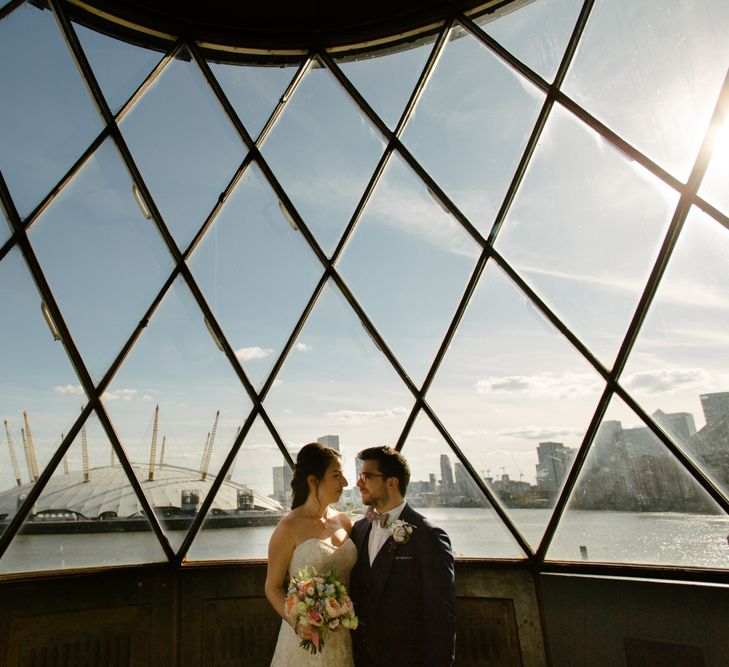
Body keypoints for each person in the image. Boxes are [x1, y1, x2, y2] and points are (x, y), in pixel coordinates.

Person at [350, 446, 456, 667]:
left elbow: (440, 616)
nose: (358, 483)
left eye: (366, 477)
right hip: (359, 657)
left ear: (391, 482)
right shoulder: (359, 530)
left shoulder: (429, 536)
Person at [266, 442, 357, 666]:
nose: (344, 483)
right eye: (336, 476)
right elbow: (272, 587)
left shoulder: (345, 522)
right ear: (313, 480)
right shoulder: (288, 527)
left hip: (342, 637)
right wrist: (297, 623)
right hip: (303, 640)